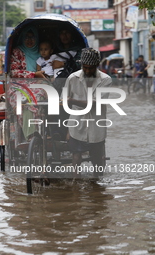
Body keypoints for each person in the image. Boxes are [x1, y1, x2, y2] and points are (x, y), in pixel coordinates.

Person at [63, 48, 112, 179]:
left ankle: (96, 186)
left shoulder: (106, 80)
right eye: (85, 68)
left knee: (96, 158)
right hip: (77, 124)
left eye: (91, 68)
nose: (88, 71)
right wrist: (68, 128)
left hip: (96, 125)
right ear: (82, 65)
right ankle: (75, 185)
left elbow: (95, 103)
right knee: (76, 155)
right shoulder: (72, 79)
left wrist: (71, 100)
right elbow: (65, 103)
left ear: (97, 65)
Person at [8, 26, 49, 140]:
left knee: (37, 100)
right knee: (23, 102)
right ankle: (30, 136)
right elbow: (13, 72)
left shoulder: (42, 52)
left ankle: (44, 132)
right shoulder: (17, 52)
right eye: (26, 37)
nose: (29, 40)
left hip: (38, 85)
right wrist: (34, 74)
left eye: (32, 37)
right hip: (19, 85)